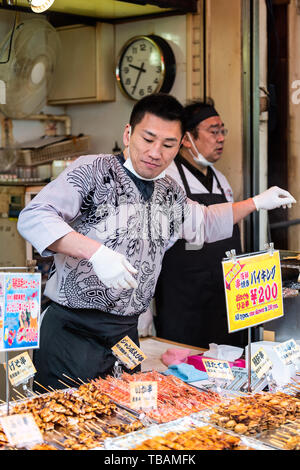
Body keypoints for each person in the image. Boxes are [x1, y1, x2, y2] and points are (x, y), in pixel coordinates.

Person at [17, 93, 295, 390]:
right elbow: (34, 216)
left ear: (179, 145)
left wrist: (255, 202)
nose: (155, 152)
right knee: (69, 426)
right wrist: (96, 253)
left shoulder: (168, 191)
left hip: (125, 334)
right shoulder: (94, 170)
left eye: (167, 144)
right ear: (128, 134)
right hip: (73, 330)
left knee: (125, 424)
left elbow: (205, 221)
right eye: (148, 139)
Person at [154, 99, 249, 347]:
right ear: (186, 139)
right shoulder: (167, 178)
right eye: (213, 131)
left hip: (223, 299)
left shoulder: (221, 180)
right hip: (183, 301)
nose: (221, 139)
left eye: (222, 131)